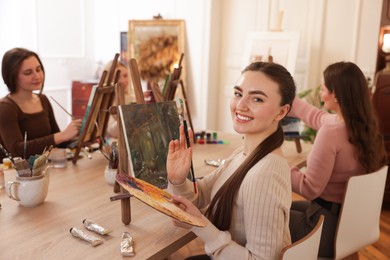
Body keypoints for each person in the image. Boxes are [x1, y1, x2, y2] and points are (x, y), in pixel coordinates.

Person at [166, 62, 296, 259]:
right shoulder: (244, 153)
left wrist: (200, 225)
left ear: (282, 112)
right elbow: (200, 196)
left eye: (257, 99)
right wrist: (177, 180)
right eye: (238, 94)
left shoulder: (266, 173)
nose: (240, 105)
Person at [288, 61, 386, 257]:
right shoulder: (364, 125)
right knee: (282, 206)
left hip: (324, 229)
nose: (322, 93)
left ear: (335, 95)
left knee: (265, 213)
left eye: (324, 89)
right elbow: (318, 117)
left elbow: (309, 188)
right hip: (348, 222)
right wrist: (291, 99)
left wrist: (283, 166)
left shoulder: (331, 132)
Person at [0, 47, 82, 159]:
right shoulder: (5, 108)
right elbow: (17, 150)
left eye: (38, 69)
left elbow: (58, 143)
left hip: (45, 169)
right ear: (12, 77)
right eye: (28, 73)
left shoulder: (43, 100)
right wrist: (61, 136)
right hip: (18, 174)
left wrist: (78, 136)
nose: (37, 76)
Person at [104, 60, 135, 138]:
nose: (122, 81)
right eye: (117, 77)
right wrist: (133, 111)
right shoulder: (105, 102)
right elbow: (113, 132)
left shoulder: (132, 97)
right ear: (108, 79)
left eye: (125, 76)